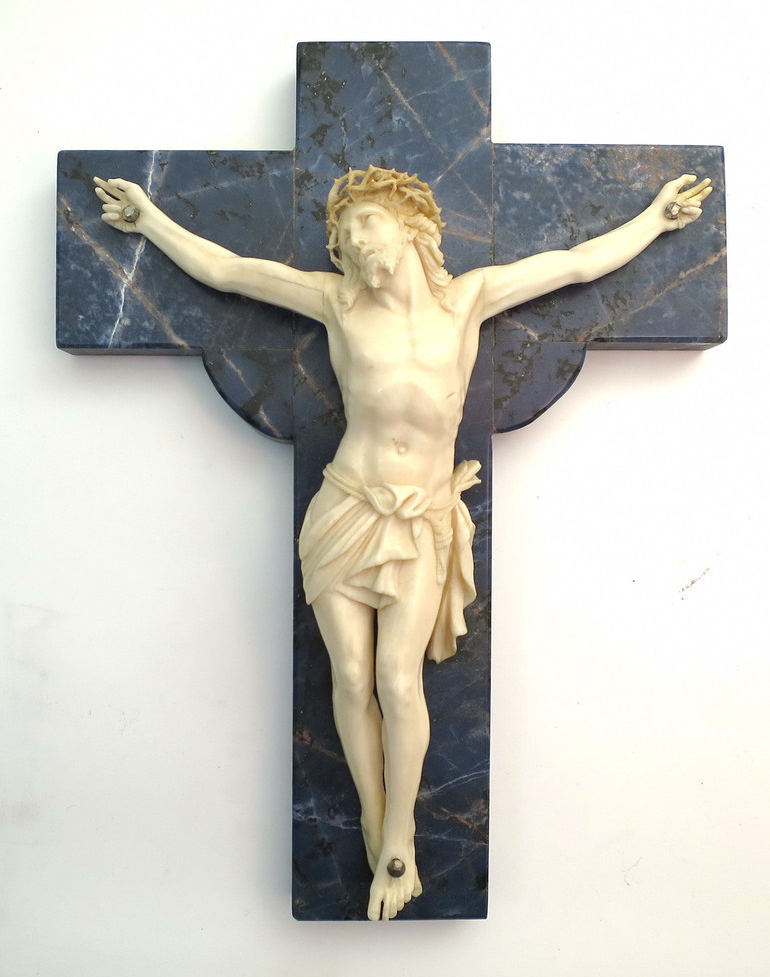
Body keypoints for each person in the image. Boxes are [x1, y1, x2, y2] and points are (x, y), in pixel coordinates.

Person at [94, 165, 711, 920]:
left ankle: (401, 835)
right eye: (343, 232)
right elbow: (228, 271)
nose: (354, 240)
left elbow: (576, 265)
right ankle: (371, 816)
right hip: (346, 509)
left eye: (367, 222)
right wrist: (148, 219)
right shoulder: (337, 302)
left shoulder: (469, 300)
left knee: (397, 676)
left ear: (410, 227)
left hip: (421, 519)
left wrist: (655, 219)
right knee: (351, 675)